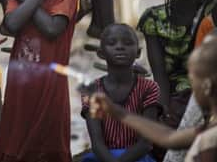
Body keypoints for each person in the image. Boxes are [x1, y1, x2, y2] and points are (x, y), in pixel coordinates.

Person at [0, 0, 79, 162]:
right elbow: (11, 25)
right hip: (21, 80)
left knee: (47, 136)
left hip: (50, 81)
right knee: (17, 134)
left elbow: (52, 29)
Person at [89, 36, 217, 161]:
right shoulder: (210, 129)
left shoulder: (208, 142)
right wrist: (116, 111)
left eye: (193, 81)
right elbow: (169, 137)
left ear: (207, 87)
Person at [137, 0, 216, 128]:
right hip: (173, 91)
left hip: (209, 87)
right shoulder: (154, 18)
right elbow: (159, 73)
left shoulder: (213, 10)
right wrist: (164, 108)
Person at [80, 23, 160, 162]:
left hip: (137, 158)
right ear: (101, 53)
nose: (120, 47)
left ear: (138, 52)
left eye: (128, 43)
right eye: (112, 43)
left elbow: (145, 143)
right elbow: (97, 144)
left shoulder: (149, 88)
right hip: (103, 157)